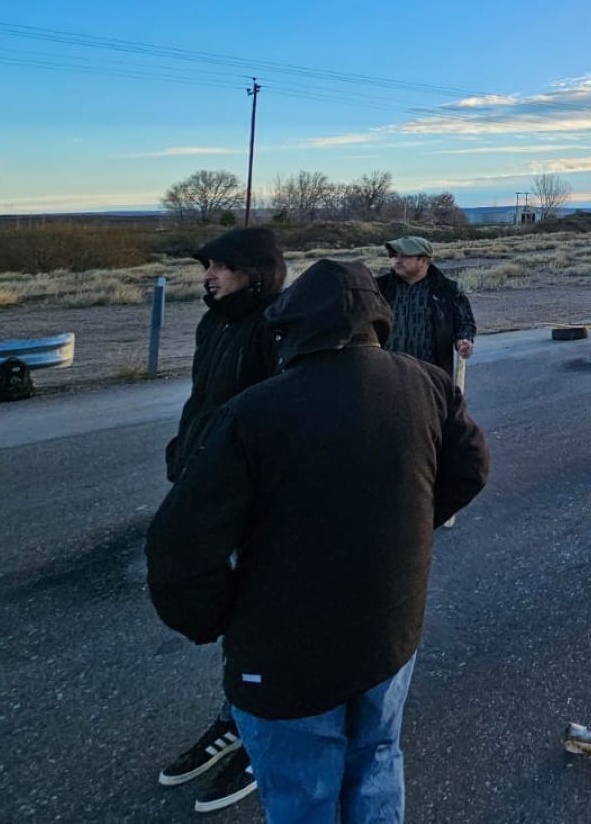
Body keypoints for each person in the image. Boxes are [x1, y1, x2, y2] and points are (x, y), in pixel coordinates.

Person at [146, 259, 490, 824]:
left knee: (305, 792)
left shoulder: (254, 411)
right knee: (377, 758)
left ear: (294, 324)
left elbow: (179, 546)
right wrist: (406, 530)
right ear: (374, 319)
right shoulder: (427, 383)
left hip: (286, 651)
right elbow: (470, 467)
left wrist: (217, 617)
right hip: (390, 627)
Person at [157, 225, 286, 814]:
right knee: (234, 612)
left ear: (254, 272)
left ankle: (268, 735)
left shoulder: (277, 326)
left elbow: (279, 420)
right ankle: (237, 716)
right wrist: (184, 449)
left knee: (267, 613)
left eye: (221, 267)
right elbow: (204, 399)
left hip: (258, 497)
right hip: (207, 485)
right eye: (208, 266)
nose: (209, 275)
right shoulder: (215, 323)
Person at [376, 236, 476, 373]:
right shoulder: (378, 288)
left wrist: (463, 340)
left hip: (432, 375)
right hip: (387, 373)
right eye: (393, 255)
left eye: (404, 256)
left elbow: (465, 322)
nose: (397, 260)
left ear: (424, 260)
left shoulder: (448, 290)